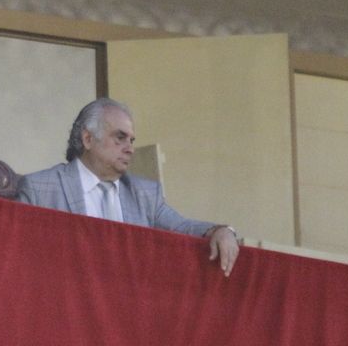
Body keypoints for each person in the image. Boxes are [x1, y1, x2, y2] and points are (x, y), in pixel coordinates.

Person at [18, 98, 241, 276]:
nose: (130, 149)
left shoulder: (145, 194)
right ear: (87, 139)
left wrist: (222, 231)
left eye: (131, 140)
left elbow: (182, 226)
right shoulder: (40, 189)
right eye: (120, 137)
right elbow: (18, 259)